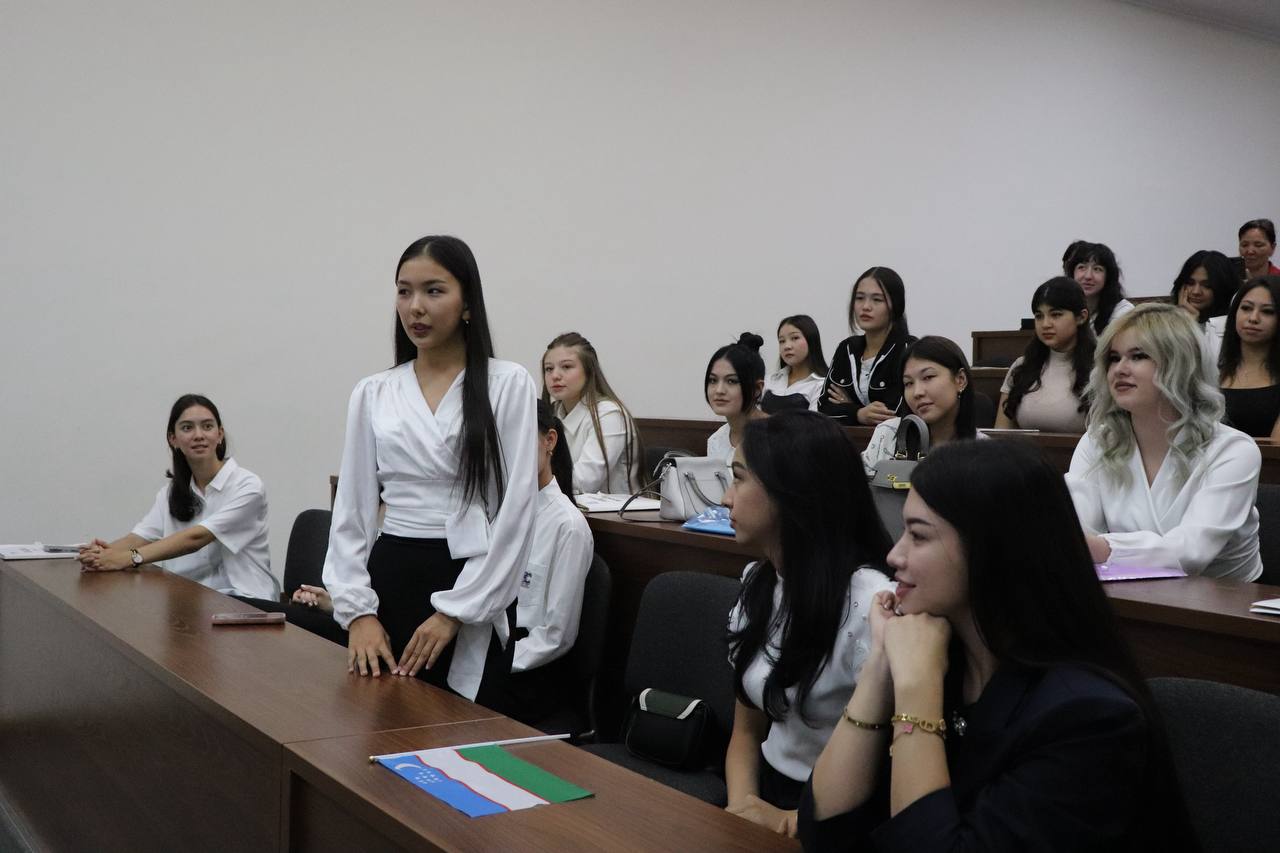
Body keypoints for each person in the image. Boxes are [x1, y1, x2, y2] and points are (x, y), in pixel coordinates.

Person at [799, 440, 1198, 853]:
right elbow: (823, 830)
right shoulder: (938, 654)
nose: (894, 555)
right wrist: (880, 666)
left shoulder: (1088, 716)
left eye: (918, 536)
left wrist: (917, 691)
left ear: (990, 549)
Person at [321, 235, 538, 706]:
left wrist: (456, 611)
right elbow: (352, 511)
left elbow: (517, 510)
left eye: (433, 291)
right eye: (404, 291)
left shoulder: (508, 384)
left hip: (474, 577)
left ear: (467, 303)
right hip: (392, 574)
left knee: (462, 731)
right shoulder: (374, 392)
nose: (415, 306)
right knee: (382, 725)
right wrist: (358, 612)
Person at [723, 410, 895, 837]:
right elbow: (745, 732)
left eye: (739, 479)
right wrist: (741, 807)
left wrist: (788, 823)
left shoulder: (872, 605)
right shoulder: (759, 582)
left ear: (790, 492)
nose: (726, 498)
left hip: (844, 819)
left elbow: (892, 775)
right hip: (766, 791)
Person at [1067, 303, 1262, 582]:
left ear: (1180, 364)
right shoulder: (1097, 440)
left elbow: (1192, 552)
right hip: (1125, 593)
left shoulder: (1234, 451)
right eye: (1113, 358)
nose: (1119, 369)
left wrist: (1100, 548)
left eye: (1138, 356)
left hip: (1225, 601)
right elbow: (1077, 526)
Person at [78, 394, 279, 601]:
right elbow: (139, 538)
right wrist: (100, 554)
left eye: (207, 426)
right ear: (173, 439)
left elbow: (196, 538)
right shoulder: (170, 493)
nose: (198, 435)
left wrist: (128, 558)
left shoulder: (248, 486)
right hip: (189, 598)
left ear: (219, 434)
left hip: (245, 601)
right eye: (187, 428)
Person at [861, 337, 982, 477]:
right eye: (908, 383)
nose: (917, 392)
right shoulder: (887, 434)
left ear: (960, 380)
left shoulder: (983, 450)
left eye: (928, 377)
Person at [541, 332, 641, 494]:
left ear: (589, 372)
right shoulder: (551, 413)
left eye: (566, 367)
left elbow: (585, 482)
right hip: (561, 503)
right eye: (549, 369)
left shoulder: (609, 414)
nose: (555, 376)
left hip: (610, 510)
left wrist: (533, 480)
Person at [995, 277, 1094, 432]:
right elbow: (1001, 433)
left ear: (1081, 317)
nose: (1045, 324)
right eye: (1039, 316)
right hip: (1023, 448)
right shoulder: (1022, 367)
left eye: (1056, 315)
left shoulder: (1100, 367)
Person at [819, 267, 916, 426]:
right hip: (848, 439)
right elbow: (824, 408)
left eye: (877, 300)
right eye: (859, 298)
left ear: (896, 305)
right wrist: (858, 413)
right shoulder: (846, 348)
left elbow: (895, 411)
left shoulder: (908, 349)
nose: (865, 306)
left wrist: (848, 406)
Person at [1220, 276, 1280, 440]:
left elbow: (1275, 447)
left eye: (1267, 311)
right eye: (1246, 308)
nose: (1253, 318)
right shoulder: (1211, 373)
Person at [1169, 249, 1236, 379]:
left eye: (1207, 285)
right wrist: (1185, 324)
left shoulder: (1233, 326)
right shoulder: (1167, 321)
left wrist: (1193, 328)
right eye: (1190, 283)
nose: (1196, 291)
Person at [706, 333, 767, 465]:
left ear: (757, 388)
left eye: (732, 381)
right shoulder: (716, 440)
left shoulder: (778, 437)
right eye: (713, 380)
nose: (719, 390)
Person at [1065, 241, 1133, 336]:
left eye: (1097, 269)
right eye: (1082, 267)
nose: (1088, 276)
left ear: (1108, 276)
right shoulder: (1065, 309)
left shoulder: (1123, 312)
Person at [762, 315, 828, 412]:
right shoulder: (770, 380)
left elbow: (814, 421)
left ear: (811, 340)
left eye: (795, 338)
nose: (787, 346)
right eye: (782, 341)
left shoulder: (822, 385)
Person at [1234, 218, 1279, 283]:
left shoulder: (1277, 279)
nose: (1250, 251)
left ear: (1272, 248)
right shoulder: (1227, 280)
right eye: (1244, 245)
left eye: (1258, 245)